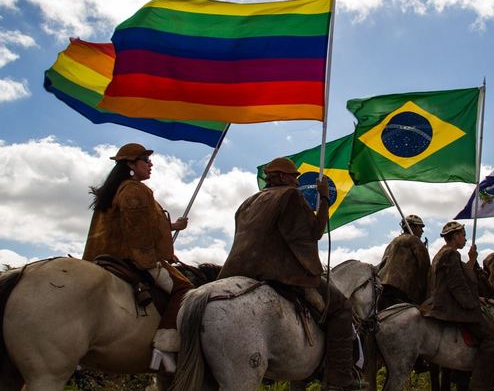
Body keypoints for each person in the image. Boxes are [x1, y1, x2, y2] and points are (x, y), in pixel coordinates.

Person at [217, 157, 363, 390]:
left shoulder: (247, 201)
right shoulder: (291, 196)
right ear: (283, 177)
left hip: (240, 272)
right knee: (342, 308)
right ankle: (339, 378)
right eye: (293, 177)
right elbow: (314, 232)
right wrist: (323, 198)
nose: (296, 182)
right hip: (281, 273)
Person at [83, 143, 192, 373]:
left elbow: (139, 223)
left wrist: (172, 226)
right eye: (145, 160)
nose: (150, 164)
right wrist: (150, 261)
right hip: (131, 257)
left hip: (104, 257)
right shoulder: (135, 189)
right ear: (131, 165)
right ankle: (164, 347)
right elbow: (138, 232)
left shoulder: (115, 190)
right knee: (184, 288)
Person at [420, 221, 494, 391]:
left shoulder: (445, 254)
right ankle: (480, 385)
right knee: (492, 338)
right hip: (450, 306)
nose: (465, 239)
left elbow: (465, 277)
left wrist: (472, 259)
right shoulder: (450, 254)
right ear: (455, 236)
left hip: (449, 302)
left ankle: (462, 372)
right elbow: (458, 285)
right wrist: (473, 305)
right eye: (463, 235)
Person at [376, 214, 431, 310]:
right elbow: (425, 267)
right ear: (412, 227)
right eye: (420, 227)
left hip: (383, 290)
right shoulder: (414, 240)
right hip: (404, 293)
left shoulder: (392, 242)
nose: (422, 230)